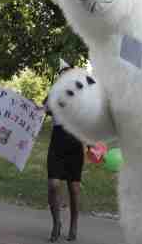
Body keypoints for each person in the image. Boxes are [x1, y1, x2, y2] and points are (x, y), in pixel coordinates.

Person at [44, 60, 86, 242]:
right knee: (53, 185)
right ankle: (56, 223)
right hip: (57, 142)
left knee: (74, 189)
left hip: (75, 143)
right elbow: (42, 109)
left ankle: (74, 224)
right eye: (63, 74)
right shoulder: (52, 95)